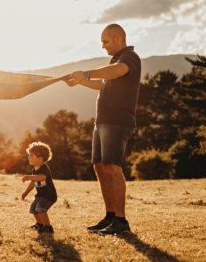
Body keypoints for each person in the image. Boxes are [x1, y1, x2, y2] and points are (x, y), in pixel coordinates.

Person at [64, 23, 141, 235]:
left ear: (118, 38)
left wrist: (86, 73)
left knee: (112, 167)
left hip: (117, 121)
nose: (102, 46)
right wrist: (80, 81)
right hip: (102, 122)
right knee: (99, 166)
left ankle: (121, 221)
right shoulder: (115, 60)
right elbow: (104, 84)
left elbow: (117, 72)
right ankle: (110, 216)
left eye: (105, 41)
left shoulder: (129, 57)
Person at [21, 141, 58, 234]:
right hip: (40, 195)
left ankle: (48, 227)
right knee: (33, 208)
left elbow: (42, 177)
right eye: (29, 155)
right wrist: (26, 192)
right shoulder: (34, 169)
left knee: (40, 209)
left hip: (49, 196)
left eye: (31, 156)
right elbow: (33, 183)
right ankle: (40, 224)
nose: (28, 157)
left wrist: (29, 177)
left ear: (40, 158)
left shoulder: (44, 168)